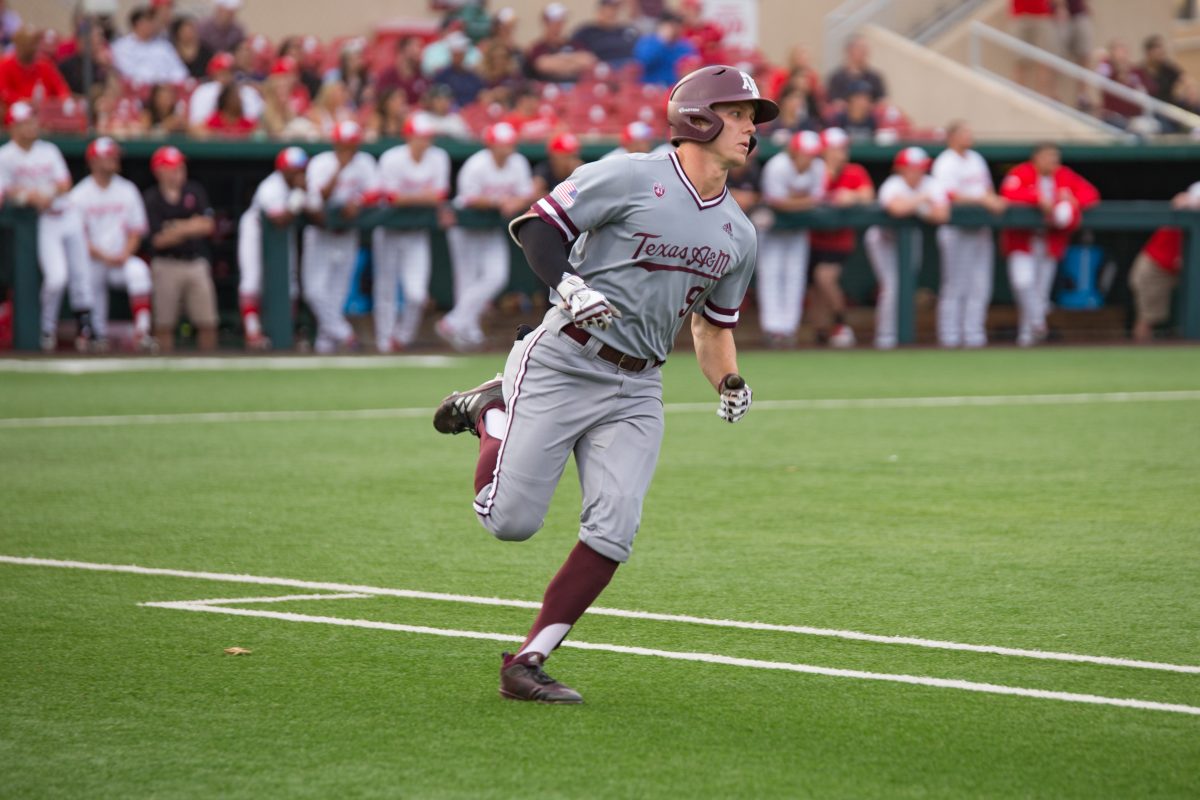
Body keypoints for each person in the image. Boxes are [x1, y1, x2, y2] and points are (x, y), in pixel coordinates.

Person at [430, 64, 771, 704]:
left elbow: (711, 327)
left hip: (639, 387)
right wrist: (568, 284)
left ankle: (527, 662)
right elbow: (537, 228)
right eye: (740, 113)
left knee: (614, 529)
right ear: (698, 116)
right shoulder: (629, 173)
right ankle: (491, 414)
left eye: (754, 118)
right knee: (510, 522)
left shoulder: (740, 233)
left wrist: (727, 378)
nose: (751, 129)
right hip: (564, 359)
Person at [0, 101, 93, 352]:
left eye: (32, 121)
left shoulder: (48, 150)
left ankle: (86, 331)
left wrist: (44, 192)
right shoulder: (5, 155)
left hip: (66, 213)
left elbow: (64, 183)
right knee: (56, 277)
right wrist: (29, 196)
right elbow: (5, 193)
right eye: (24, 123)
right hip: (44, 220)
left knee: (81, 274)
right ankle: (46, 329)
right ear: (12, 127)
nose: (31, 126)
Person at [438, 121, 533, 351]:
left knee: (496, 276)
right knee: (467, 280)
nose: (507, 149)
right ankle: (468, 331)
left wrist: (515, 202)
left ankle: (453, 322)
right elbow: (470, 199)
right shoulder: (476, 164)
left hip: (490, 228)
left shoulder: (518, 163)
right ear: (491, 145)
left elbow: (525, 193)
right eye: (502, 144)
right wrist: (500, 201)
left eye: (510, 144)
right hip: (466, 227)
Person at [999, 142, 1100, 346]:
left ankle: (1027, 338)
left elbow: (1091, 194)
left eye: (1055, 158)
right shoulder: (1021, 173)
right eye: (1048, 157)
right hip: (1023, 240)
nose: (1053, 162)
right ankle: (1037, 322)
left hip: (1050, 242)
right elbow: (1008, 194)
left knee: (1041, 292)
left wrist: (1073, 200)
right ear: (1036, 158)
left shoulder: (1064, 175)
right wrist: (1037, 198)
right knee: (1023, 282)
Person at [372, 113, 451, 352]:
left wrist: (414, 198)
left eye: (428, 138)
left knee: (416, 294)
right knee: (385, 289)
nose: (425, 142)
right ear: (409, 136)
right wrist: (423, 197)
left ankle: (403, 337)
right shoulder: (392, 158)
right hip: (389, 231)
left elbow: (440, 194)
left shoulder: (439, 158)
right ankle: (384, 341)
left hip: (417, 233)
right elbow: (391, 197)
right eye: (420, 137)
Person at [69, 137, 155, 353]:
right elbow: (77, 239)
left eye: (115, 155)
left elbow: (136, 230)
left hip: (121, 257)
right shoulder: (79, 195)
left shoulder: (127, 189)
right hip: (93, 258)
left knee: (139, 271)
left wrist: (125, 252)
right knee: (86, 277)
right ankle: (95, 335)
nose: (115, 159)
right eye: (109, 156)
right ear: (94, 161)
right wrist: (103, 256)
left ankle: (142, 333)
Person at [302, 120, 378, 353]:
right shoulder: (321, 163)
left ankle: (325, 343)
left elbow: (376, 191)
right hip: (321, 234)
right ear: (335, 143)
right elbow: (318, 199)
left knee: (337, 292)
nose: (348, 149)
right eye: (344, 144)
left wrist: (359, 202)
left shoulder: (365, 162)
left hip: (347, 234)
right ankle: (344, 333)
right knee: (313, 290)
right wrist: (338, 170)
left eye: (352, 145)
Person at [931, 121, 1007, 348]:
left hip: (979, 229)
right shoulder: (945, 161)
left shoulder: (976, 158)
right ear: (952, 136)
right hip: (955, 230)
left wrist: (991, 198)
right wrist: (983, 200)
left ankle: (974, 334)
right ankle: (949, 335)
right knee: (955, 284)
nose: (969, 136)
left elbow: (987, 189)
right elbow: (948, 194)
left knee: (980, 284)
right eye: (964, 132)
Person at [865, 147, 949, 350]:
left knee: (906, 286)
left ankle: (899, 336)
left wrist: (914, 206)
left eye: (921, 168)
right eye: (912, 168)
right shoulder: (893, 184)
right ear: (901, 169)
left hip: (910, 239)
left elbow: (942, 215)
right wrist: (921, 202)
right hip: (883, 239)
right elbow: (896, 209)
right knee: (892, 287)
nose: (918, 172)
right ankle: (886, 338)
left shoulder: (931, 183)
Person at [143, 146, 219, 353]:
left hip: (195, 262)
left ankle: (208, 369)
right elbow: (157, 240)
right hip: (166, 264)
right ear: (159, 170)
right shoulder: (152, 198)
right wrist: (191, 226)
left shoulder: (194, 190)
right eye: (172, 167)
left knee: (207, 321)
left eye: (180, 166)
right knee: (164, 324)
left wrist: (176, 227)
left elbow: (208, 225)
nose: (179, 171)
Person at [757, 130, 825, 347]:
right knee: (771, 274)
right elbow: (778, 202)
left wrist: (795, 201)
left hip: (798, 230)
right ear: (794, 151)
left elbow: (818, 198)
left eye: (813, 154)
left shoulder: (818, 167)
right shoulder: (778, 165)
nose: (809, 158)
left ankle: (789, 328)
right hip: (772, 230)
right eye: (805, 153)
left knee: (795, 275)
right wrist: (803, 201)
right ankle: (773, 328)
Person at [237, 146, 308, 351]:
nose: (299, 173)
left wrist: (301, 193)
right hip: (255, 230)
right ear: (283, 169)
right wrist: (299, 195)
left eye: (301, 168)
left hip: (283, 234)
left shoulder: (300, 186)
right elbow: (278, 219)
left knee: (290, 280)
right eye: (294, 169)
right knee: (252, 279)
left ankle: (286, 331)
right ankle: (253, 333)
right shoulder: (271, 186)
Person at [808, 127, 873, 347]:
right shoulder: (814, 170)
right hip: (811, 239)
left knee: (824, 277)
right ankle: (821, 333)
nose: (840, 153)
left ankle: (841, 322)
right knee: (815, 290)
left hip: (839, 240)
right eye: (835, 149)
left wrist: (851, 196)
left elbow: (867, 195)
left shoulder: (854, 171)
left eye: (843, 148)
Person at [1128, 181, 1200, 342]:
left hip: (1176, 270)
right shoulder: (1183, 209)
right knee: (1148, 319)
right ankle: (1140, 360)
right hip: (1155, 267)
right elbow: (1181, 200)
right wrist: (1189, 201)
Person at [188, 51, 264, 133]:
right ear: (213, 73)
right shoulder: (203, 91)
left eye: (229, 72)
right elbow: (196, 126)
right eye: (221, 72)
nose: (225, 77)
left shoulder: (248, 92)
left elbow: (257, 127)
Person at [111, 7, 188, 86]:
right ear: (137, 24)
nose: (151, 25)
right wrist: (154, 81)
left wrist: (168, 82)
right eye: (148, 21)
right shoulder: (122, 47)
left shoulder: (164, 45)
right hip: (139, 89)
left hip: (167, 88)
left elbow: (179, 70)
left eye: (152, 21)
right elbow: (128, 72)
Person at [525, 2, 597, 83]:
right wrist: (574, 61)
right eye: (555, 22)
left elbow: (589, 61)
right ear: (546, 23)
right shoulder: (538, 47)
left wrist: (559, 60)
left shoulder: (574, 44)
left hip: (576, 86)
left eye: (562, 21)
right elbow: (543, 65)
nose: (559, 26)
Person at [0, 26, 71, 106]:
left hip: (45, 109)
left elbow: (61, 89)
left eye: (35, 43)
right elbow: (4, 93)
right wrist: (27, 102)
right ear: (18, 45)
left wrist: (63, 100)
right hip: (17, 109)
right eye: (27, 44)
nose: (31, 48)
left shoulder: (45, 65)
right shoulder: (5, 65)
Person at [570, 0, 639, 68]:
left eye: (614, 10)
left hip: (630, 66)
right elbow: (571, 50)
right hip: (600, 67)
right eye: (608, 9)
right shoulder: (587, 31)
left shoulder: (627, 30)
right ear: (600, 11)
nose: (611, 13)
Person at [633, 13, 696, 86]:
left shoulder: (685, 46)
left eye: (678, 26)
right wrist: (662, 41)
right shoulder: (648, 42)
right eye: (671, 26)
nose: (675, 30)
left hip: (676, 87)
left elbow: (692, 66)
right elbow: (643, 63)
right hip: (650, 86)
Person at [825, 34, 886, 109]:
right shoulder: (836, 78)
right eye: (860, 48)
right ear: (849, 50)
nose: (864, 52)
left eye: (865, 48)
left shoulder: (875, 77)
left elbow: (882, 102)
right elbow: (833, 103)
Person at [432, 31, 485, 108]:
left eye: (460, 54)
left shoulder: (473, 76)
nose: (458, 58)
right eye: (455, 55)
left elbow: (480, 93)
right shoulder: (442, 76)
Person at [531, 131, 583, 197]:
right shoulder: (544, 169)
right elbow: (532, 195)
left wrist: (577, 174)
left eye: (574, 156)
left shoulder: (580, 170)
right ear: (554, 156)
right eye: (566, 156)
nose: (571, 161)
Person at [170, 16, 214, 80]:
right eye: (185, 31)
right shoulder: (171, 51)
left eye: (191, 30)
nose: (189, 34)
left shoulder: (205, 50)